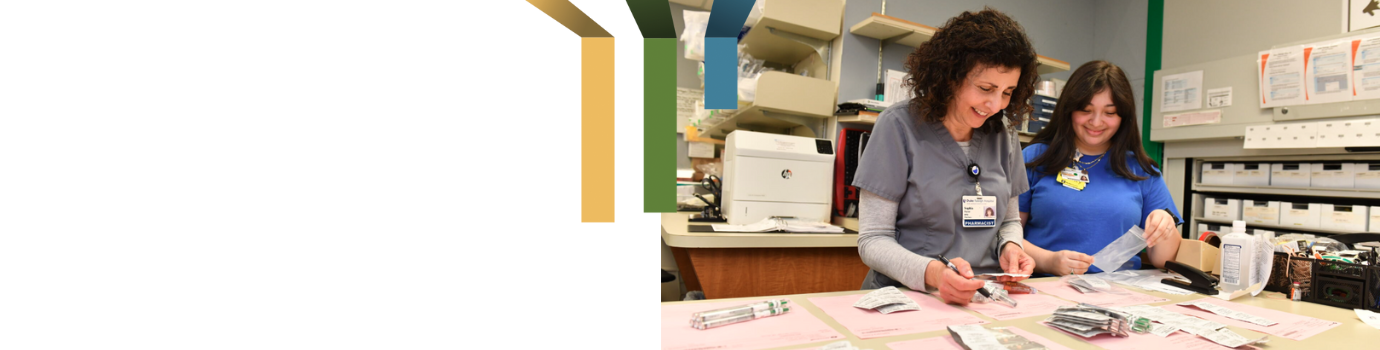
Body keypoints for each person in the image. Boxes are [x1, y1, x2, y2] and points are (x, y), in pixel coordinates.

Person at [853, 7, 1038, 305]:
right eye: (985, 88)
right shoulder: (899, 127)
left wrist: (1011, 246)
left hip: (983, 297)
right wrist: (935, 274)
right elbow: (873, 240)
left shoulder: (1005, 135)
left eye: (1007, 92)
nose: (995, 105)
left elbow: (1009, 221)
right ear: (951, 77)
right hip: (908, 297)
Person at [1018, 61, 1183, 276]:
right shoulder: (1034, 158)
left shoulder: (1142, 170)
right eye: (1086, 110)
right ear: (1068, 109)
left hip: (1118, 293)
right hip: (1045, 288)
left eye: (1110, 112)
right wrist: (1047, 261)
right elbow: (1006, 236)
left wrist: (1165, 224)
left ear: (1124, 117)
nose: (1096, 122)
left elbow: (1163, 259)